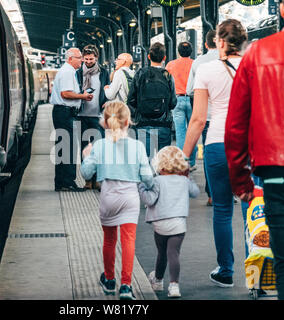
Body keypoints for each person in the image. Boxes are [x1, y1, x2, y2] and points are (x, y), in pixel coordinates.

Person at [224, 0, 284, 300]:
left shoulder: (258, 53)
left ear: (282, 9)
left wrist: (241, 183)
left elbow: (236, 127)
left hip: (277, 173)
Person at [182, 19, 248, 288]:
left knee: (221, 208)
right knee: (251, 208)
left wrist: (184, 157)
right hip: (248, 145)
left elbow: (198, 119)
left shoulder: (206, 70)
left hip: (217, 144)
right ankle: (257, 272)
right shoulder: (253, 67)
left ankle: (226, 270)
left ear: (219, 41)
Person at [80, 101, 153, 300]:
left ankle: (110, 279)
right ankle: (126, 286)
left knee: (109, 240)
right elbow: (147, 178)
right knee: (128, 240)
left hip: (108, 197)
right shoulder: (137, 146)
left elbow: (86, 173)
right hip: (130, 197)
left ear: (104, 122)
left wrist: (86, 156)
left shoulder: (99, 146)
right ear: (128, 121)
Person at [139, 146, 199, 298]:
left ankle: (158, 280)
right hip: (179, 225)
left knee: (162, 253)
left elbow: (149, 200)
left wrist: (141, 186)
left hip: (160, 224)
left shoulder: (156, 181)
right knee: (174, 254)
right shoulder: (183, 181)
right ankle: (174, 286)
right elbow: (195, 192)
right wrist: (188, 178)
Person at [50, 48, 93, 192]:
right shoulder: (68, 72)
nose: (81, 60)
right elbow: (66, 93)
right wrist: (83, 96)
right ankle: (67, 183)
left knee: (65, 148)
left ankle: (62, 182)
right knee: (67, 148)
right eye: (79, 57)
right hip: (65, 112)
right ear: (70, 59)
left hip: (63, 112)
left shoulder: (67, 71)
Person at [127, 42, 177, 160]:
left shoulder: (140, 73)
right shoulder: (168, 75)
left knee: (145, 162)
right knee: (163, 163)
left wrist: (137, 116)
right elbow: (173, 102)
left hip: (143, 124)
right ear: (164, 58)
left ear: (149, 56)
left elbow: (131, 100)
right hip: (164, 124)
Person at [186, 30, 219, 206]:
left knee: (209, 152)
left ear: (206, 44)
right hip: (229, 117)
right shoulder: (230, 60)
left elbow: (190, 89)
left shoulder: (199, 62)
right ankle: (231, 190)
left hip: (207, 116)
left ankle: (212, 192)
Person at [76, 44, 110, 190]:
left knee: (99, 149)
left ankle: (98, 180)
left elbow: (107, 89)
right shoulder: (78, 73)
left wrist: (107, 102)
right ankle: (87, 180)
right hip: (82, 115)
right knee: (84, 149)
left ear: (96, 57)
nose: (88, 62)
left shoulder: (103, 72)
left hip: (97, 116)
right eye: (86, 59)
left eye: (91, 59)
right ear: (83, 58)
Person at [166, 42, 197, 171]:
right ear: (191, 51)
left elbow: (166, 82)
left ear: (178, 52)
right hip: (193, 99)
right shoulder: (195, 63)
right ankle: (192, 162)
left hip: (177, 100)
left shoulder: (171, 65)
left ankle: (181, 162)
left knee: (180, 133)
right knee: (193, 131)